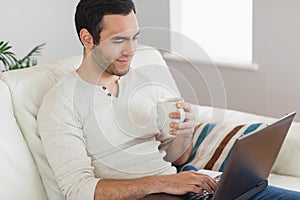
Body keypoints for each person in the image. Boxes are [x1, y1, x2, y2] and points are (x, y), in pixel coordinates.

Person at [37, 0, 300, 200]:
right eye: (119, 40)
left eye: (135, 38)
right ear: (87, 38)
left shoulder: (144, 82)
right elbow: (77, 189)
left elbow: (175, 156)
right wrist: (163, 184)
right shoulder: (61, 103)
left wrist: (184, 134)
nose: (131, 51)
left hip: (181, 187)